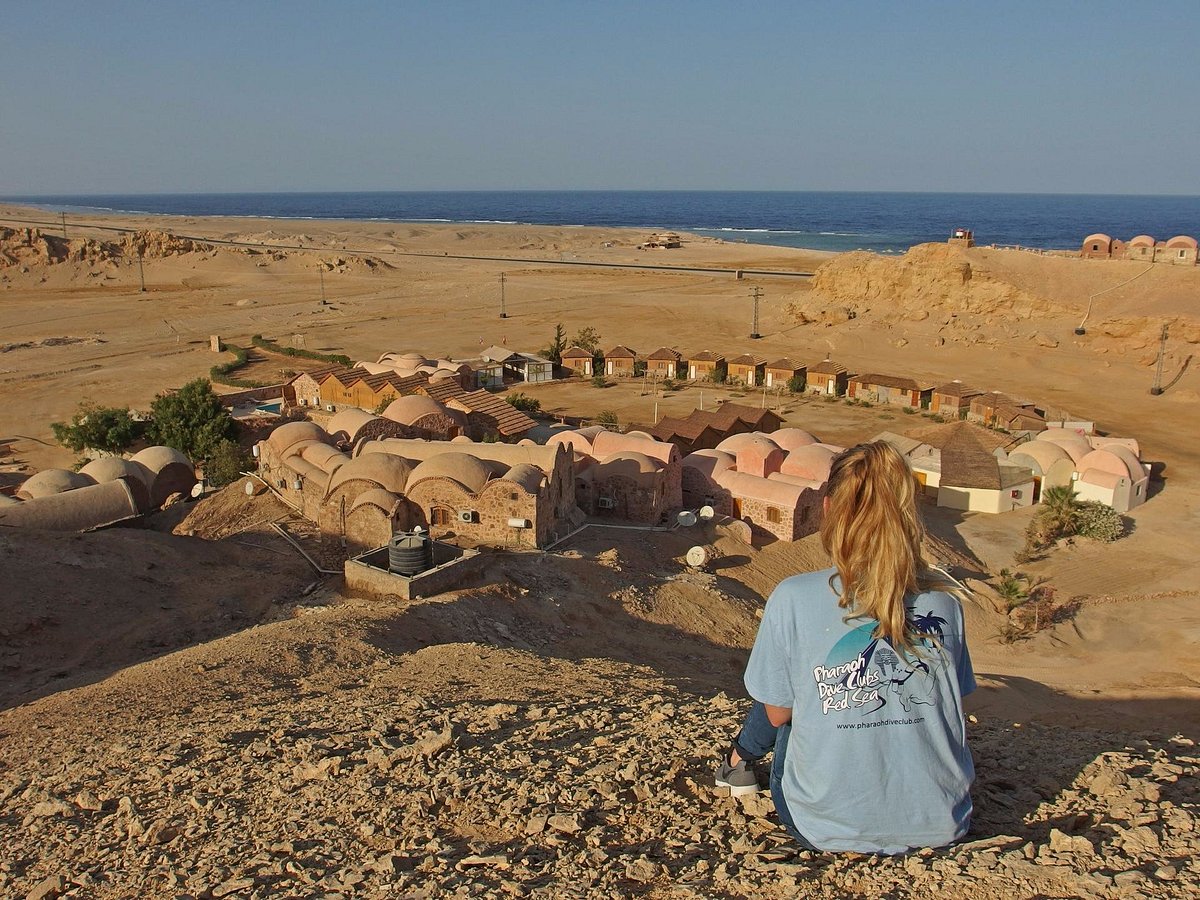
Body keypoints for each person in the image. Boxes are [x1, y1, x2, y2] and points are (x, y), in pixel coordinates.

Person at [714, 440, 976, 854]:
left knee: (786, 702)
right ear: (908, 512)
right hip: (943, 822)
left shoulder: (794, 596)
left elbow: (778, 712)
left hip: (824, 827)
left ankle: (736, 763)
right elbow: (951, 704)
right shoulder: (943, 603)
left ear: (830, 508)